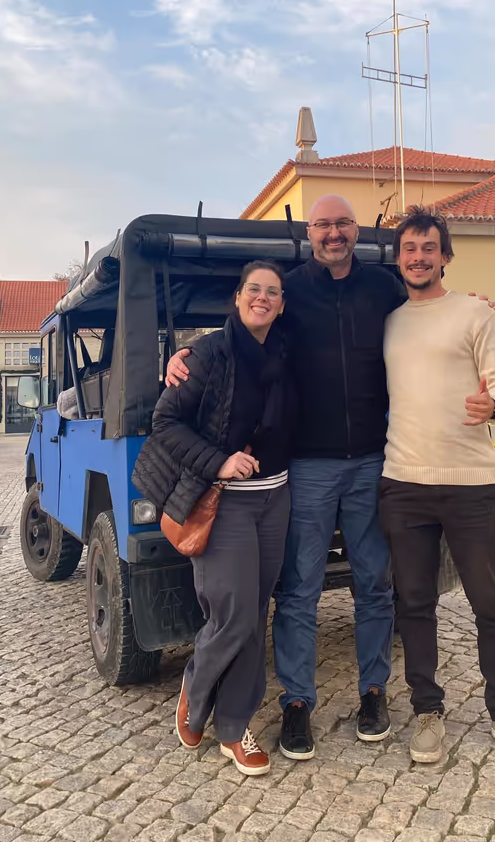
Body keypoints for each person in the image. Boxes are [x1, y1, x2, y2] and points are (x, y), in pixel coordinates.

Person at [167, 195, 494, 761]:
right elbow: (245, 328)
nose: (333, 233)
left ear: (356, 230)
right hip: (309, 465)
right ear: (310, 233)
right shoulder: (290, 291)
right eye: (323, 224)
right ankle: (297, 700)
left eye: (343, 223)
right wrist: (186, 353)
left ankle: (374, 691)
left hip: (373, 461)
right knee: (299, 589)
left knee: (375, 585)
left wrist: (479, 305)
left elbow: (433, 310)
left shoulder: (384, 288)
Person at [379, 206, 495, 767]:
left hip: (471, 483)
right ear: (398, 259)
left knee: (489, 601)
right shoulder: (389, 322)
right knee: (414, 603)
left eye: (429, 248)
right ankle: (428, 710)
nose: (418, 257)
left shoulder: (475, 313)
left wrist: (493, 404)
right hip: (403, 482)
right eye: (409, 248)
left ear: (445, 255)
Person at [133, 260, 292, 776]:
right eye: (254, 289)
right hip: (223, 501)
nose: (262, 298)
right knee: (234, 614)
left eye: (272, 292)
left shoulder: (286, 351)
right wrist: (218, 462)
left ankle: (233, 728)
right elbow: (165, 421)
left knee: (256, 614)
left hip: (275, 498)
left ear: (282, 305)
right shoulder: (206, 354)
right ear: (238, 296)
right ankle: (196, 687)